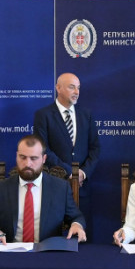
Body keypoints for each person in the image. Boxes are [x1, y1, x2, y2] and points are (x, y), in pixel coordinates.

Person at [0, 134, 86, 246]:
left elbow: (76, 217)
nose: (27, 164)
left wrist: (77, 225)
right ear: (16, 156)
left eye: (33, 158)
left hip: (48, 251)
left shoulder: (60, 188)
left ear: (44, 159)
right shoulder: (1, 188)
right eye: (22, 157)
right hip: (10, 250)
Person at [33, 72, 100, 224]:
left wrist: (83, 173)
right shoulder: (43, 115)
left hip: (82, 188)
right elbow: (43, 149)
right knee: (54, 233)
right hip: (54, 185)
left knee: (83, 233)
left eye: (78, 88)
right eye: (72, 87)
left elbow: (95, 148)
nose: (77, 92)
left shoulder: (86, 115)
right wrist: (70, 172)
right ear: (58, 88)